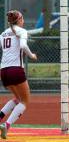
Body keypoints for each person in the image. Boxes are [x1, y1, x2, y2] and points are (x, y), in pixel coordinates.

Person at [0, 10, 37, 139]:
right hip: (15, 69)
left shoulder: (3, 33)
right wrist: (32, 56)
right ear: (19, 19)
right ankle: (7, 125)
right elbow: (23, 45)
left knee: (17, 99)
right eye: (22, 18)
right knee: (25, 101)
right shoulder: (22, 31)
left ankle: (1, 117)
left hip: (3, 71)